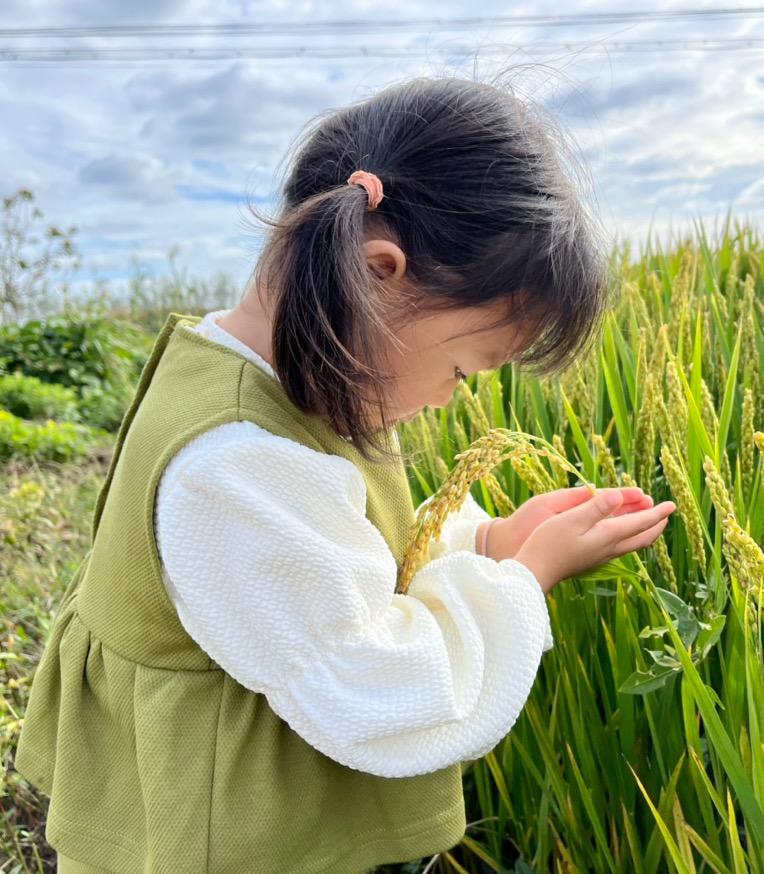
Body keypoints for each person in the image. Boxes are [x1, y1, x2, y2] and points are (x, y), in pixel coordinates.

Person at [14, 74, 676, 873]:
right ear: (377, 273)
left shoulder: (316, 382)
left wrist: (493, 540)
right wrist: (523, 583)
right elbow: (374, 689)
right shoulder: (233, 466)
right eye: (466, 369)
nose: (447, 400)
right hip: (222, 845)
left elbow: (352, 544)